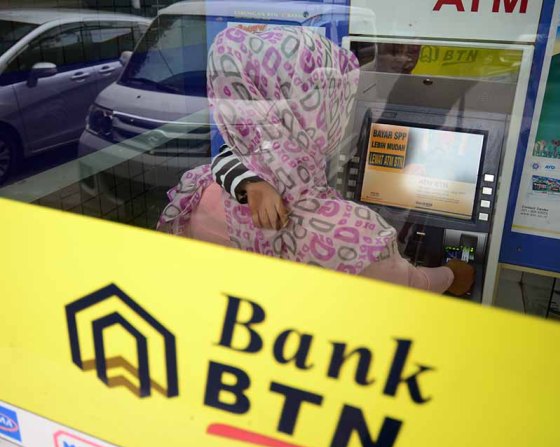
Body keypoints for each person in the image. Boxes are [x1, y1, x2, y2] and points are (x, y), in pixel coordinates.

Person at [159, 26, 474, 295]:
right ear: (310, 114)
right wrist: (453, 273)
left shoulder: (197, 192)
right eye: (333, 98)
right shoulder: (350, 236)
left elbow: (245, 151)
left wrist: (249, 182)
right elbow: (411, 286)